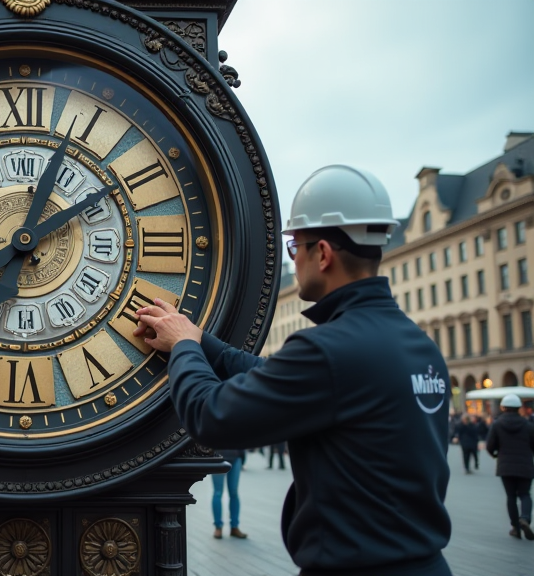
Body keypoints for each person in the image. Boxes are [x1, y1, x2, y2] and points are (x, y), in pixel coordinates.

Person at [134, 165, 452, 575]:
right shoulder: (416, 345)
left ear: (322, 253)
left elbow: (210, 416)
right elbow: (273, 374)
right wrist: (199, 339)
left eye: (294, 247)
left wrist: (183, 347)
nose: (295, 259)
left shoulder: (330, 349)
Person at [486, 394, 534, 540]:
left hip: (505, 466)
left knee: (511, 496)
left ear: (503, 407)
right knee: (525, 494)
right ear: (519, 408)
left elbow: (490, 446)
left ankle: (515, 527)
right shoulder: (528, 425)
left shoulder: (497, 424)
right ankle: (525, 518)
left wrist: (496, 455)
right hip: (525, 465)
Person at [211, 449, 247, 539]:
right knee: (218, 493)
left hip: (236, 457)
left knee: (234, 492)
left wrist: (241, 456)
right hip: (217, 458)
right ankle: (218, 526)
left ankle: (234, 527)